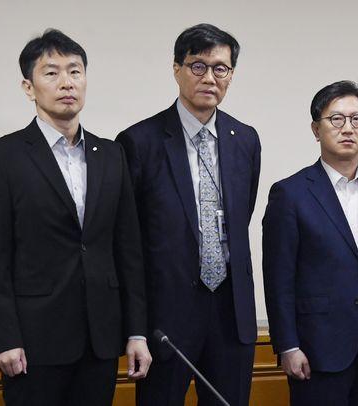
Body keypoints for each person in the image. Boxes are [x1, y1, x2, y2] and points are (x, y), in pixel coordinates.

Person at [0, 28, 151, 405]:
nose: (66, 82)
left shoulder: (112, 155)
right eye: (51, 73)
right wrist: (3, 338)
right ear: (28, 87)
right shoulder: (1, 157)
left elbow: (129, 251)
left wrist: (136, 331)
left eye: (75, 71)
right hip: (33, 342)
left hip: (101, 340)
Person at [116, 23, 261, 405]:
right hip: (167, 318)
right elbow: (128, 244)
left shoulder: (246, 140)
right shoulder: (139, 142)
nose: (209, 77)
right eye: (198, 66)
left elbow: (239, 218)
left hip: (231, 313)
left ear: (231, 75)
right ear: (176, 68)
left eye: (220, 68)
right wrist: (136, 327)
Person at [262, 81, 358, 405]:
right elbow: (279, 279)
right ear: (316, 129)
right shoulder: (290, 193)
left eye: (356, 119)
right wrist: (287, 345)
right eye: (336, 119)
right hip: (316, 349)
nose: (348, 128)